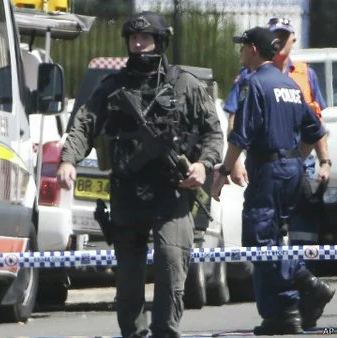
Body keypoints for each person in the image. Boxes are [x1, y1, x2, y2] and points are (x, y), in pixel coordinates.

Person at [57, 11, 223, 338]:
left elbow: (213, 133)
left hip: (172, 192)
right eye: (133, 38)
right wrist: (68, 160)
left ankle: (165, 332)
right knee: (129, 279)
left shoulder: (184, 85)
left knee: (171, 263)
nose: (137, 44)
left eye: (144, 38)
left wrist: (203, 165)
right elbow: (83, 125)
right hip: (128, 192)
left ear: (159, 42)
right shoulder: (113, 87)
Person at [211, 27, 329, 334]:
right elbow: (315, 131)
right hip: (292, 171)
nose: (239, 52)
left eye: (242, 47)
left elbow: (240, 135)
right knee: (275, 240)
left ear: (252, 49)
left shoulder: (255, 84)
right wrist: (296, 160)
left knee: (259, 242)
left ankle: (307, 286)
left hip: (268, 172)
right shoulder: (289, 84)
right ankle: (284, 314)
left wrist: (223, 171)